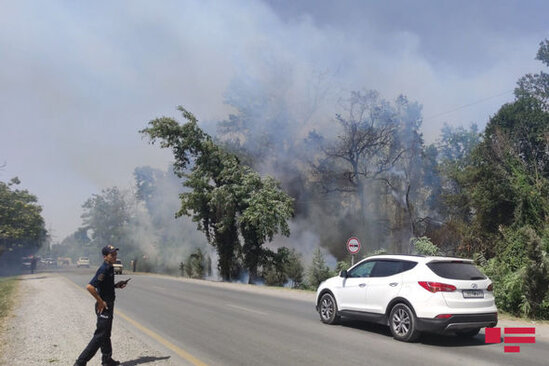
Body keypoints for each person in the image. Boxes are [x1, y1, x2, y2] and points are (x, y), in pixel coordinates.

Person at [74, 245, 128, 366]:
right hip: (104, 306)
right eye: (112, 254)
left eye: (115, 254)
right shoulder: (104, 268)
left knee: (106, 334)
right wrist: (100, 301)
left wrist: (116, 285)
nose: (114, 256)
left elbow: (103, 286)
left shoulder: (110, 268)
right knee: (100, 335)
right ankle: (80, 362)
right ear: (105, 257)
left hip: (108, 304)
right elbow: (90, 287)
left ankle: (107, 360)